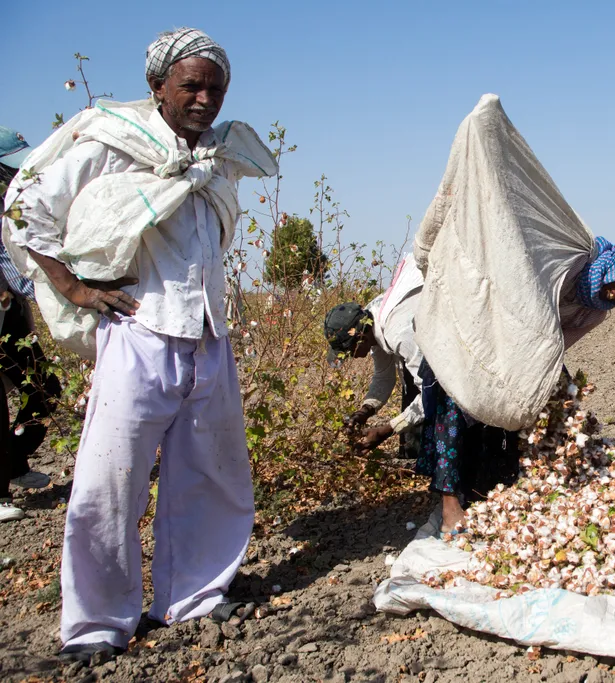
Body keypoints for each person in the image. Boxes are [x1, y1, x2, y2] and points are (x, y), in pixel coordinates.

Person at [2, 28, 277, 663]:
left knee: (212, 476)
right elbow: (25, 209)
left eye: (215, 87)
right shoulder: (110, 143)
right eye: (191, 86)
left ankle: (195, 597)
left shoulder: (215, 157)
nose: (205, 98)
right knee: (108, 483)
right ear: (157, 88)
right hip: (138, 332)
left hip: (208, 336)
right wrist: (73, 287)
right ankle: (97, 621)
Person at [418, 237, 615, 532]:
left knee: (547, 408)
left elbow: (557, 346)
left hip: (529, 352)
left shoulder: (595, 312)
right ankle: (449, 506)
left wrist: (540, 379)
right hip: (484, 334)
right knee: (455, 407)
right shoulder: (569, 264)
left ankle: (531, 479)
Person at [0, 127, 63, 523]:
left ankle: (12, 462)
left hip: (10, 320)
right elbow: (20, 273)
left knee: (44, 390)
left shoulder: (12, 207)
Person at [325, 253, 426, 457]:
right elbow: (384, 376)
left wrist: (387, 430)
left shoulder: (398, 332)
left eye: (349, 350)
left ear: (360, 337)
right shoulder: (371, 318)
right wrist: (364, 411)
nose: (351, 357)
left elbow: (432, 390)